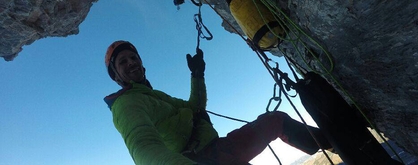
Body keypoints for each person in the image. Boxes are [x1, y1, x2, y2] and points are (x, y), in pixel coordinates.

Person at [104, 40, 332, 165]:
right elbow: (144, 148)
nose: (131, 62)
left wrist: (197, 75)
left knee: (276, 121)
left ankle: (337, 142)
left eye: (134, 57)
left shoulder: (156, 97)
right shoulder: (127, 105)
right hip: (200, 159)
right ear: (116, 76)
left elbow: (196, 106)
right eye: (123, 62)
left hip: (219, 148)